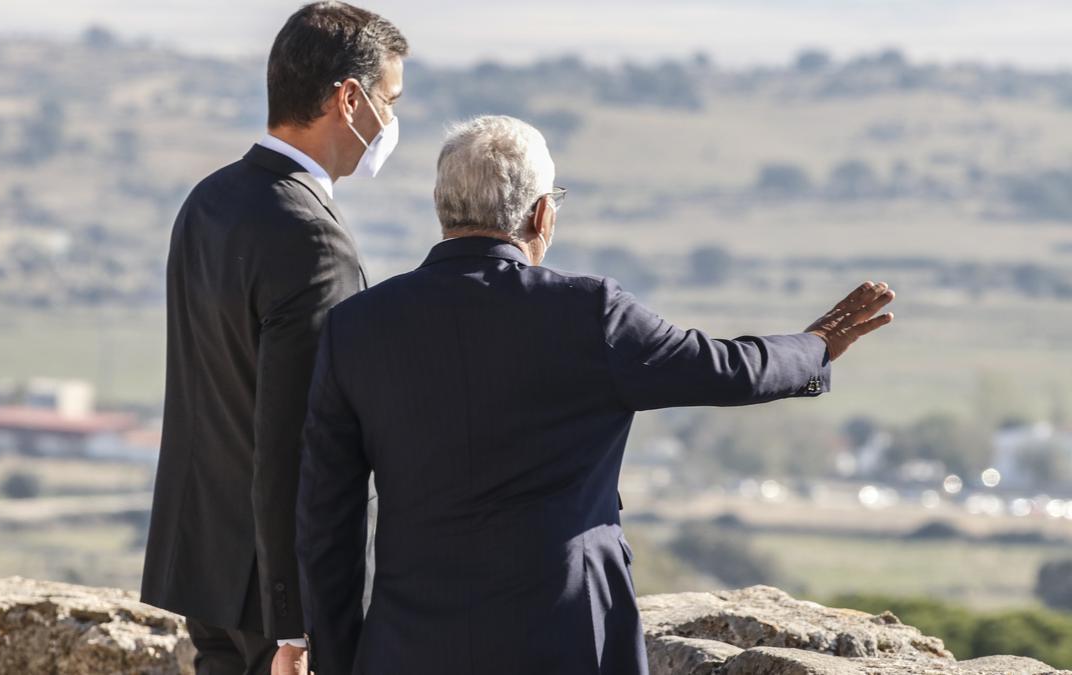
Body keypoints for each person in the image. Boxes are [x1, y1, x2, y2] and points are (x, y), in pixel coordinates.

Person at [295, 115, 895, 675]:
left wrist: (342, 652)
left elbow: (327, 516)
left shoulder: (358, 327)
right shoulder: (587, 314)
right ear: (540, 216)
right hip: (569, 637)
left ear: (441, 208)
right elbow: (729, 370)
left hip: (410, 644)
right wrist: (816, 346)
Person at [140, 3, 407, 674]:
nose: (392, 121)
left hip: (203, 567)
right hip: (276, 601)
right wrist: (298, 621)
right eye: (390, 99)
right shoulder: (311, 235)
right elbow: (302, 437)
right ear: (349, 99)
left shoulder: (208, 201)